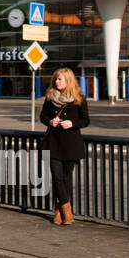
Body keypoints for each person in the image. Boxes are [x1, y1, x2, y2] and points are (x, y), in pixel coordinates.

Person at [39, 67, 89, 226]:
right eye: (55, 79)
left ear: (68, 80)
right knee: (57, 177)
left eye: (59, 79)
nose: (56, 82)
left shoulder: (79, 98)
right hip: (53, 142)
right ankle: (67, 211)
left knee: (66, 178)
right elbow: (42, 116)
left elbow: (85, 120)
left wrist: (72, 123)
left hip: (70, 143)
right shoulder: (49, 97)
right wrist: (50, 121)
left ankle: (58, 213)